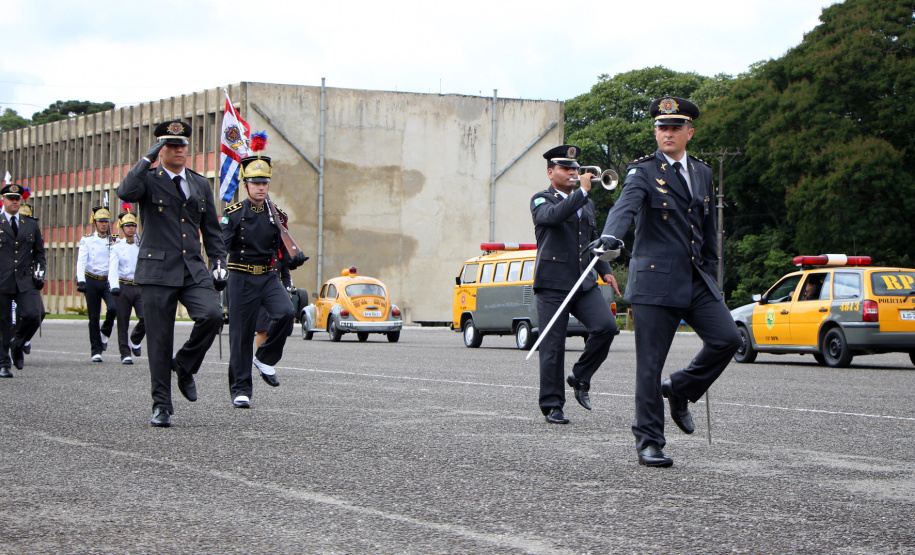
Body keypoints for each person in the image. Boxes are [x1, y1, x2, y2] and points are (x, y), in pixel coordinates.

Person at [596, 97, 741, 467]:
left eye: (676, 127)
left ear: (689, 132)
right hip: (655, 281)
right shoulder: (642, 171)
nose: (668, 133)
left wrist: (712, 278)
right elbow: (624, 207)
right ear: (656, 132)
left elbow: (708, 233)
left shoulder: (703, 172)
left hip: (695, 278)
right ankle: (649, 441)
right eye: (662, 127)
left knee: (728, 339)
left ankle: (680, 388)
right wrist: (611, 237)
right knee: (649, 366)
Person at [118, 120, 228, 428]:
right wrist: (146, 159)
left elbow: (211, 230)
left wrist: (219, 261)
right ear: (161, 149)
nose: (179, 150)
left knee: (212, 316)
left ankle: (184, 364)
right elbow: (124, 192)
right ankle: (161, 405)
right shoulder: (147, 180)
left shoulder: (199, 183)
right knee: (159, 340)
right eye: (171, 145)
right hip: (156, 270)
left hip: (192, 267)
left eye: (182, 145)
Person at [529, 145, 622, 425]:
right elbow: (553, 217)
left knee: (606, 327)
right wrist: (581, 192)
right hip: (552, 285)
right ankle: (552, 405)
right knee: (553, 346)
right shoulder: (541, 200)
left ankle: (580, 375)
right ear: (551, 173)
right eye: (565, 168)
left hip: (583, 282)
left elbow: (593, 240)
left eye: (575, 168)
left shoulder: (587, 204)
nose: (572, 172)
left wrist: (605, 270)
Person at [221, 149, 304, 409]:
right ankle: (241, 389)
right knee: (241, 335)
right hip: (240, 276)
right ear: (246, 185)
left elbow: (282, 248)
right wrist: (216, 270)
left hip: (267, 276)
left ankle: (265, 358)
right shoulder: (233, 214)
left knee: (285, 313)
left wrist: (294, 258)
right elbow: (221, 245)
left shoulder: (277, 214)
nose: (261, 187)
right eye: (255, 183)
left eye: (264, 183)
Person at [0, 183, 46, 378]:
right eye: (11, 199)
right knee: (3, 323)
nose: (15, 202)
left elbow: (39, 254)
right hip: (2, 279)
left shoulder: (30, 224)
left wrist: (40, 274)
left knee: (34, 314)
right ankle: (4, 363)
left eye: (17, 199)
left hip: (25, 279)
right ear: (3, 200)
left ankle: (17, 344)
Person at [76, 204, 117, 362]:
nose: (104, 224)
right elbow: (81, 261)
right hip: (91, 279)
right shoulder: (87, 240)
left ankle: (105, 332)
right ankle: (96, 350)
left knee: (113, 308)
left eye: (106, 221)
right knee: (93, 317)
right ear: (95, 223)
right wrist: (81, 280)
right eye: (101, 221)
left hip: (107, 280)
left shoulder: (113, 240)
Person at [107, 205, 145, 365]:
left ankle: (135, 338)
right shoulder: (116, 247)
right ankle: (125, 353)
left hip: (139, 286)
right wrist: (114, 285)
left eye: (133, 225)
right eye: (128, 226)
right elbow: (113, 268)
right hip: (123, 286)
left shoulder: (141, 245)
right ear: (122, 228)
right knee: (122, 322)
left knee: (145, 318)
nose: (131, 228)